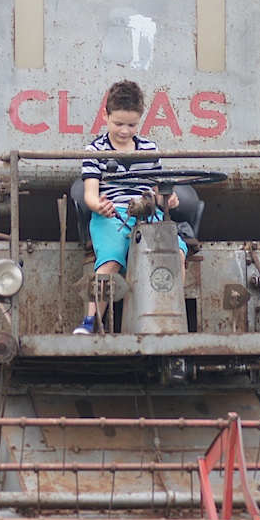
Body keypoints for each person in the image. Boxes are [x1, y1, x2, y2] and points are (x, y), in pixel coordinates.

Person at [73, 80, 184, 334]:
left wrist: (168, 200)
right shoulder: (95, 151)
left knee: (176, 253)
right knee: (111, 258)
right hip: (111, 216)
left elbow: (158, 190)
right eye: (118, 124)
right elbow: (90, 194)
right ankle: (91, 321)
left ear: (140, 120)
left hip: (149, 216)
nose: (125, 131)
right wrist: (99, 206)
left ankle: (172, 315)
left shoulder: (149, 149)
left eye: (132, 125)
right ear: (105, 116)